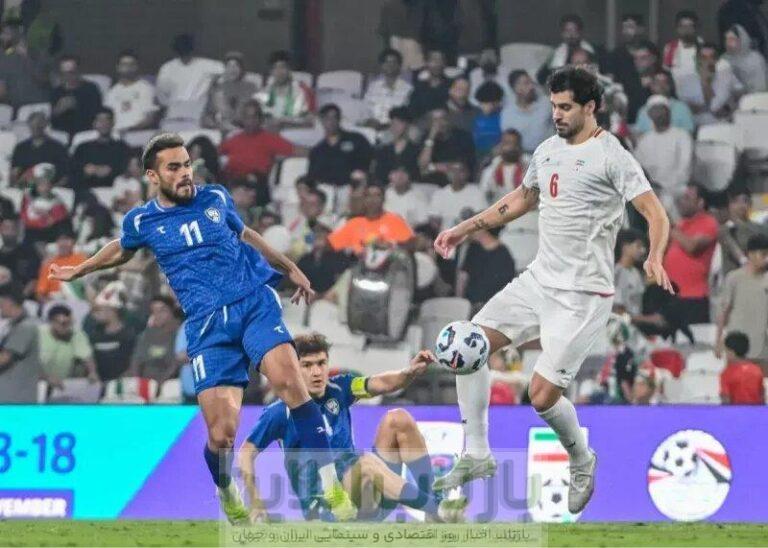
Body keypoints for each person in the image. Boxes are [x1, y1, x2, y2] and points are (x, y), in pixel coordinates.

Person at [47, 133, 357, 523]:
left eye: (186, 165)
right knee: (221, 435)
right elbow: (121, 248)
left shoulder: (215, 198)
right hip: (207, 326)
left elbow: (246, 234)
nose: (184, 173)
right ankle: (226, 489)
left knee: (291, 385)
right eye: (173, 167)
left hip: (253, 304)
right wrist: (81, 268)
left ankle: (330, 485)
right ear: (153, 176)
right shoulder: (142, 220)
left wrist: (288, 267)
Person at [431, 67, 672, 516]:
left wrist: (655, 256)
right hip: (539, 279)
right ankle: (477, 452)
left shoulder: (612, 156)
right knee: (468, 344)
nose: (557, 115)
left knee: (540, 396)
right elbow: (520, 200)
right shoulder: (546, 151)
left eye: (565, 107)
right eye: (554, 106)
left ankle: (581, 460)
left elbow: (656, 213)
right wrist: (463, 229)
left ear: (590, 107)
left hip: (583, 296)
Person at [238, 333, 463, 522]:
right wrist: (255, 500)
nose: (316, 372)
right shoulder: (280, 411)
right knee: (365, 464)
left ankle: (434, 508)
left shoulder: (341, 388)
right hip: (326, 510)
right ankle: (437, 508)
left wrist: (409, 371)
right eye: (307, 365)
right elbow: (246, 452)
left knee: (398, 419)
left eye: (321, 363)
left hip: (367, 494)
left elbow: (382, 383)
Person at [663, 184, 719, 324]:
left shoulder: (709, 222)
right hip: (672, 296)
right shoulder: (681, 225)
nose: (682, 202)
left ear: (700, 202)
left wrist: (671, 227)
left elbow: (692, 247)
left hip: (693, 297)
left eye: (687, 198)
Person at [219, 100, 300, 185]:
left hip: (255, 184)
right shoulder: (234, 140)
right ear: (242, 119)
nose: (251, 121)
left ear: (261, 119)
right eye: (247, 117)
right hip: (231, 182)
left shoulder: (270, 139)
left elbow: (296, 150)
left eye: (254, 117)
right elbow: (215, 152)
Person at [716, 235, 768, 367]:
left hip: (762, 349)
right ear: (750, 254)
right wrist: (718, 340)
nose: (766, 259)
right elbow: (724, 312)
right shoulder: (734, 278)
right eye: (763, 254)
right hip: (737, 348)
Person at [633, 95, 693, 206]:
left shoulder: (682, 136)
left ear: (669, 112)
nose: (659, 114)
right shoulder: (644, 141)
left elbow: (685, 168)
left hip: (678, 189)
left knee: (667, 201)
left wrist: (666, 189)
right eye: (655, 111)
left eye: (662, 110)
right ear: (650, 115)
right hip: (652, 191)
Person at [328, 185, 414, 254]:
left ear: (383, 199)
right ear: (364, 200)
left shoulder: (395, 220)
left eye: (377, 195)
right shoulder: (354, 223)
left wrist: (390, 245)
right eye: (369, 196)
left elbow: (411, 244)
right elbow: (331, 244)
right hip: (359, 267)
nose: (373, 200)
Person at [676, 43, 743, 126]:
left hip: (725, 125)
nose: (708, 61)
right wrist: (705, 81)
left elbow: (741, 93)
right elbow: (682, 109)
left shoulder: (726, 74)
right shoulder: (685, 81)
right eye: (703, 57)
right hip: (698, 128)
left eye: (712, 57)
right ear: (696, 59)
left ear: (717, 60)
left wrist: (728, 107)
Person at [308, 104, 373, 187]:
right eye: (327, 118)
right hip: (326, 189)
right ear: (321, 120)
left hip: (354, 188)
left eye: (335, 117)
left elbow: (370, 162)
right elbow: (312, 176)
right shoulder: (317, 150)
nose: (331, 122)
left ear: (339, 119)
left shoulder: (357, 140)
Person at [70, 107, 131, 195]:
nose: (104, 124)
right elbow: (73, 170)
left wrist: (111, 171)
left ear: (113, 123)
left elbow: (126, 170)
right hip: (87, 192)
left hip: (115, 192)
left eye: (107, 120)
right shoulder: (83, 148)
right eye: (100, 120)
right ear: (94, 124)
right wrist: (85, 171)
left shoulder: (122, 147)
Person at [84, 281, 137, 382]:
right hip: (98, 384)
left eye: (99, 310)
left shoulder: (129, 335)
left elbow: (133, 364)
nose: (95, 314)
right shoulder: (94, 335)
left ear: (112, 310)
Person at [38, 304, 99, 388]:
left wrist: (92, 372)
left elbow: (87, 357)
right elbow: (28, 365)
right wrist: (47, 378)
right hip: (38, 383)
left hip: (63, 383)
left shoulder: (76, 334)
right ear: (52, 322)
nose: (67, 327)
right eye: (63, 324)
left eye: (69, 323)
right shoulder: (37, 335)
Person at [457, 225, 515, 313]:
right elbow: (463, 277)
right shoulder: (473, 248)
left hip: (490, 308)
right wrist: (459, 301)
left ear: (485, 231)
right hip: (469, 305)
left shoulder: (504, 255)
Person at [155, 33, 223, 107]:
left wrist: (214, 85)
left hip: (200, 109)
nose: (184, 53)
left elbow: (225, 74)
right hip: (175, 109)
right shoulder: (167, 69)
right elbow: (161, 96)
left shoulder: (209, 65)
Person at [0, 283, 41, 403]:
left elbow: (3, 359)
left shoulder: (26, 327)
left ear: (9, 302)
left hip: (16, 399)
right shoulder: (11, 326)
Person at [128, 295, 182, 383]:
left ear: (172, 311)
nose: (157, 315)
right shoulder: (146, 335)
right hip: (145, 384)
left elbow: (176, 364)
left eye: (162, 311)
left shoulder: (181, 334)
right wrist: (137, 382)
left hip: (171, 384)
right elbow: (136, 362)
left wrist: (160, 383)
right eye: (154, 311)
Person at [201, 51, 259, 132]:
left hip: (246, 131)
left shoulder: (251, 88)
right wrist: (217, 125)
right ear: (225, 69)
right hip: (222, 130)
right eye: (229, 66)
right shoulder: (217, 88)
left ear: (241, 69)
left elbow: (257, 114)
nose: (233, 69)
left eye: (236, 65)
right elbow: (206, 118)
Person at [255, 50, 315, 127]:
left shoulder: (300, 90)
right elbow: (258, 119)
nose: (279, 72)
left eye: (283, 67)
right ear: (271, 72)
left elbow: (310, 121)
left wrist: (286, 122)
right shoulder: (264, 92)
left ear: (289, 70)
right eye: (275, 68)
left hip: (295, 131)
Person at [606, 14, 648, 123]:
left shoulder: (650, 50)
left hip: (648, 109)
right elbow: (610, 83)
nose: (626, 31)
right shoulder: (615, 55)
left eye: (630, 27)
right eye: (624, 28)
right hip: (624, 110)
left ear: (640, 29)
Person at [103, 50, 158, 132]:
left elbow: (150, 118)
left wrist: (130, 129)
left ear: (137, 67)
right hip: (115, 134)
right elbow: (106, 118)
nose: (128, 67)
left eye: (132, 64)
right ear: (118, 67)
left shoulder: (146, 88)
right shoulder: (112, 92)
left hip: (139, 133)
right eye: (124, 64)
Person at [10, 111, 69, 187]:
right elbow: (14, 172)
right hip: (25, 187)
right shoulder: (20, 148)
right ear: (29, 125)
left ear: (45, 125)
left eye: (39, 124)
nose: (36, 127)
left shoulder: (58, 147)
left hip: (49, 187)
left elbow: (65, 175)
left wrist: (53, 187)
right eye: (33, 125)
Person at [500, 70, 552, 154]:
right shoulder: (507, 114)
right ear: (515, 88)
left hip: (548, 154)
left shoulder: (546, 104)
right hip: (522, 156)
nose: (531, 87)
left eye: (531, 82)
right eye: (526, 83)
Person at [51, 55, 103, 138]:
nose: (67, 76)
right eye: (63, 73)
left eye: (71, 72)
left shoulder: (91, 89)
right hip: (62, 136)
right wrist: (58, 110)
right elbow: (52, 122)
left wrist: (77, 106)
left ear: (78, 71)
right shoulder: (56, 92)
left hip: (87, 134)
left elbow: (97, 115)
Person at [719, 188, 768, 276]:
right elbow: (736, 250)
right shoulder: (725, 230)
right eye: (735, 202)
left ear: (750, 204)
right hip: (734, 278)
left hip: (759, 277)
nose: (741, 205)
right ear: (728, 206)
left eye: (745, 201)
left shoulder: (760, 228)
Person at [537, 14, 597, 85]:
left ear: (580, 32)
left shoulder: (591, 51)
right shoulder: (556, 53)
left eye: (574, 30)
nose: (571, 35)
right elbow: (541, 78)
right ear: (562, 33)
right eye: (567, 31)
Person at [418, 107, 476, 178]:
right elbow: (423, 166)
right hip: (432, 180)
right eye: (435, 120)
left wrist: (434, 167)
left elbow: (461, 166)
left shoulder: (462, 136)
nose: (439, 123)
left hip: (457, 179)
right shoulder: (427, 138)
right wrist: (431, 137)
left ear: (448, 119)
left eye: (442, 118)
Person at [20, 163, 70, 246]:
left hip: (49, 235)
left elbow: (58, 218)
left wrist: (47, 217)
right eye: (41, 184)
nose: (45, 187)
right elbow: (24, 217)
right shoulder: (28, 197)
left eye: (47, 183)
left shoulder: (57, 201)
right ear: (36, 184)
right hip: (30, 234)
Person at [363, 48, 413, 129]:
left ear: (399, 66)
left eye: (394, 62)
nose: (390, 65)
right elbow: (364, 109)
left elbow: (408, 115)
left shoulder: (408, 89)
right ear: (381, 65)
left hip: (395, 129)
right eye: (386, 62)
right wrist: (369, 121)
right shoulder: (373, 87)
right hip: (372, 128)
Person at [296, 224, 351, 297]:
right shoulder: (305, 259)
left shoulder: (341, 258)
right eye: (317, 233)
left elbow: (343, 281)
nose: (319, 235)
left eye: (323, 232)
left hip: (331, 298)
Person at [633, 70, 695, 134]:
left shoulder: (681, 107)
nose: (661, 86)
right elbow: (639, 135)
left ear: (670, 86)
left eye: (664, 82)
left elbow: (689, 133)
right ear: (651, 86)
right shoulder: (643, 111)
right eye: (657, 83)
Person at [428, 161, 486, 230]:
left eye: (460, 171)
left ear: (467, 173)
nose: (456, 174)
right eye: (453, 171)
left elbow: (482, 216)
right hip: (446, 233)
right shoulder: (439, 194)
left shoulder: (476, 191)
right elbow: (433, 219)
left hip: (470, 232)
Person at [36, 227, 86, 302]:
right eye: (61, 240)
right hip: (55, 302)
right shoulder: (49, 264)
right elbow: (40, 294)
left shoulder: (81, 259)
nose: (63, 244)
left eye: (67, 239)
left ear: (73, 242)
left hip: (78, 300)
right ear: (57, 242)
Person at [372, 107, 420, 183]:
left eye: (399, 123)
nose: (395, 127)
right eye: (393, 123)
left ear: (408, 125)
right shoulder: (383, 148)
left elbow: (416, 172)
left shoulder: (415, 149)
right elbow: (378, 172)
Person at [479, 129, 527, 204]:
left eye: (515, 143)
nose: (511, 147)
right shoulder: (490, 171)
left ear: (519, 146)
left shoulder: (529, 167)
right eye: (507, 143)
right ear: (501, 146)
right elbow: (483, 196)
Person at [0, 215, 41, 296]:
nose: (9, 232)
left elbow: (34, 280)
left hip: (24, 297)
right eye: (6, 228)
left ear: (17, 231)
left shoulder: (28, 251)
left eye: (12, 228)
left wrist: (21, 298)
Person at [720, 331, 765, 404]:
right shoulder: (757, 370)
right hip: (755, 410)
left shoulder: (726, 374)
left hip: (736, 410)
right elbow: (761, 396)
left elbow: (726, 400)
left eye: (726, 351)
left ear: (731, 352)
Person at [723, 24, 768, 93]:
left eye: (732, 39)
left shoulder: (755, 59)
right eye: (727, 39)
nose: (728, 43)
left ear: (741, 40)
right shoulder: (725, 58)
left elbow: (761, 87)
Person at [408, 49, 451, 120]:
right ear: (426, 63)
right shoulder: (418, 88)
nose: (437, 64)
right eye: (433, 60)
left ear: (445, 63)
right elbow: (412, 112)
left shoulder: (452, 86)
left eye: (440, 60)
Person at [613, 229, 647, 317]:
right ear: (625, 247)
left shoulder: (636, 273)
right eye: (638, 246)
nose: (643, 250)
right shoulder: (617, 272)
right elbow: (617, 308)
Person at [662, 11, 703, 76]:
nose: (687, 30)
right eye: (683, 26)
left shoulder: (703, 47)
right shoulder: (670, 47)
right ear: (677, 29)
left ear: (696, 28)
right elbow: (666, 70)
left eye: (690, 26)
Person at [472, 81, 504, 159]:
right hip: (476, 156)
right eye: (484, 102)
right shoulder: (474, 116)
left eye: (492, 103)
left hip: (498, 157)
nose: (489, 106)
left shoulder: (503, 116)